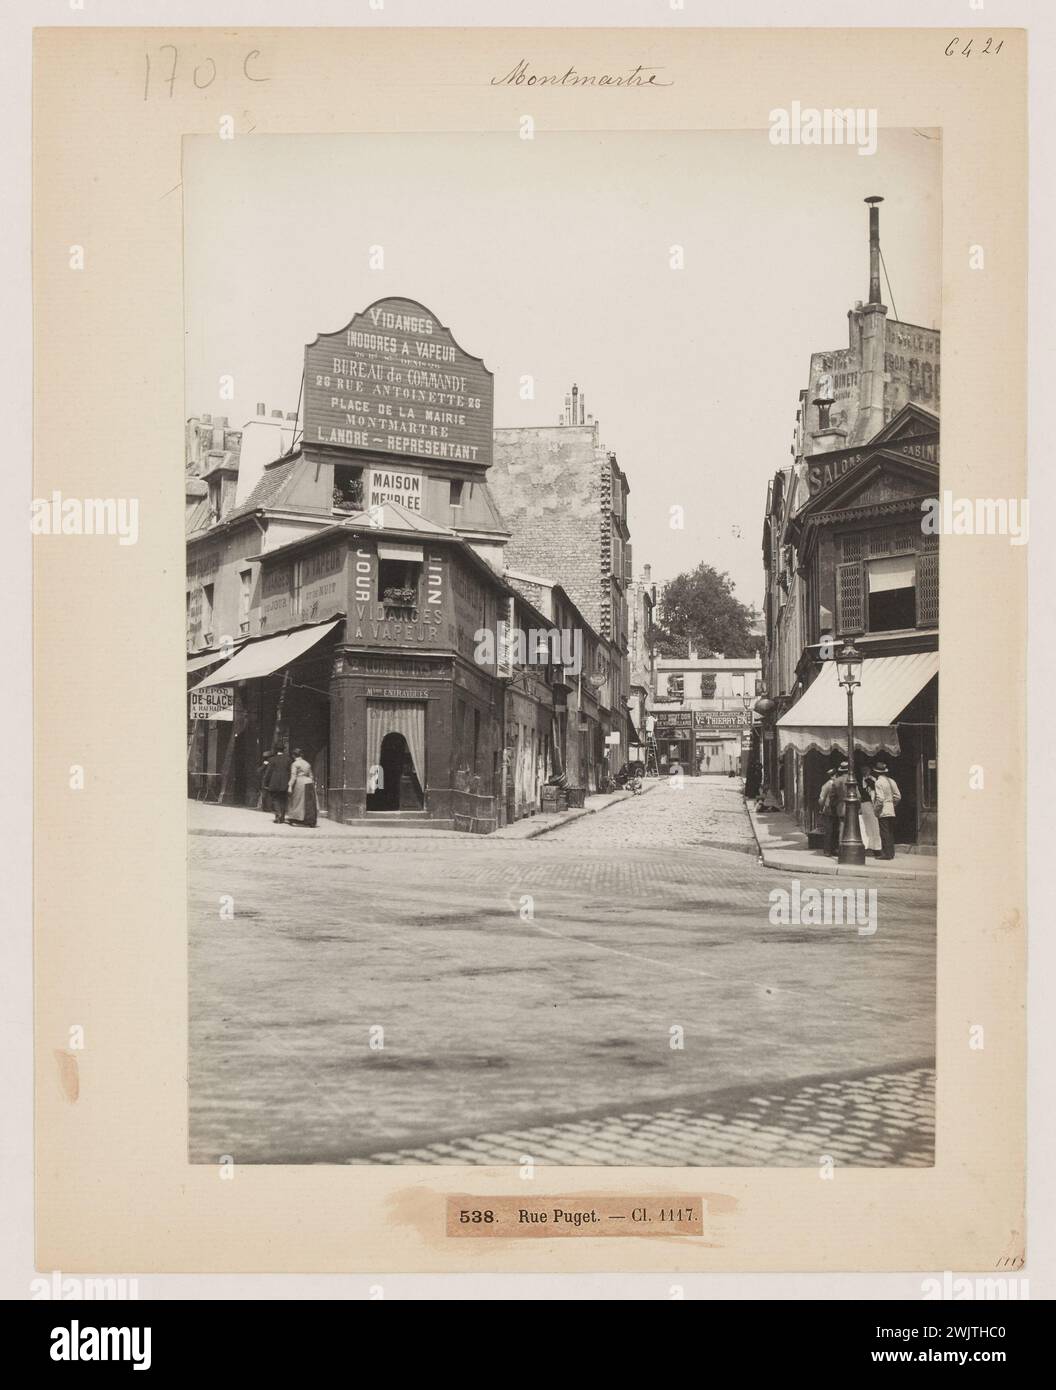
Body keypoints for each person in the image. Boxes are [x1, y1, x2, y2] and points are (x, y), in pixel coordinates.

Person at [872, 760, 902, 859]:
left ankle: (886, 854)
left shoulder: (878, 782)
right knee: (890, 832)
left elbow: (880, 799)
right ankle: (891, 853)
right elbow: (898, 796)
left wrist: (876, 810)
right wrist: (892, 805)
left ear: (876, 772)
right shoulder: (891, 781)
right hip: (891, 810)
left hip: (883, 811)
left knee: (884, 832)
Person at [287, 748, 317, 827]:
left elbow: (293, 776)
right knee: (308, 802)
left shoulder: (295, 764)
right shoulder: (307, 763)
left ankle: (298, 819)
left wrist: (290, 786)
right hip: (309, 783)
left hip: (300, 783)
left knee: (298, 801)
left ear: (293, 755)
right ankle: (309, 819)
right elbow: (311, 776)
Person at [264, 744, 293, 823]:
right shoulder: (288, 759)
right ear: (283, 750)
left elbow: (268, 772)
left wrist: (265, 782)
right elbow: (291, 772)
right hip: (285, 782)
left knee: (275, 799)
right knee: (283, 799)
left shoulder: (272, 759)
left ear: (276, 750)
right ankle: (282, 817)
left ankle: (278, 815)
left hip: (274, 782)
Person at [818, 765, 841, 856]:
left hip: (828, 809)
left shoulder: (827, 784)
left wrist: (821, 808)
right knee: (833, 830)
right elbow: (822, 799)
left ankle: (828, 850)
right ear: (834, 775)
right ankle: (831, 849)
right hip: (833, 809)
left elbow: (821, 799)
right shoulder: (832, 784)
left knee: (830, 830)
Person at [858, 770, 883, 854]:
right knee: (867, 827)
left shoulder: (873, 781)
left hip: (869, 805)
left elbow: (874, 794)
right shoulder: (866, 780)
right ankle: (869, 846)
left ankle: (875, 847)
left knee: (872, 826)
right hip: (865, 805)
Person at [257, 750, 274, 814]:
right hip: (266, 781)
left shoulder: (272, 763)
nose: (266, 759)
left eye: (267, 758)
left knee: (268, 794)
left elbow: (259, 771)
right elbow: (259, 771)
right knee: (265, 794)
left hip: (270, 780)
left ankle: (268, 807)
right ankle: (265, 807)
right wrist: (264, 765)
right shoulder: (265, 763)